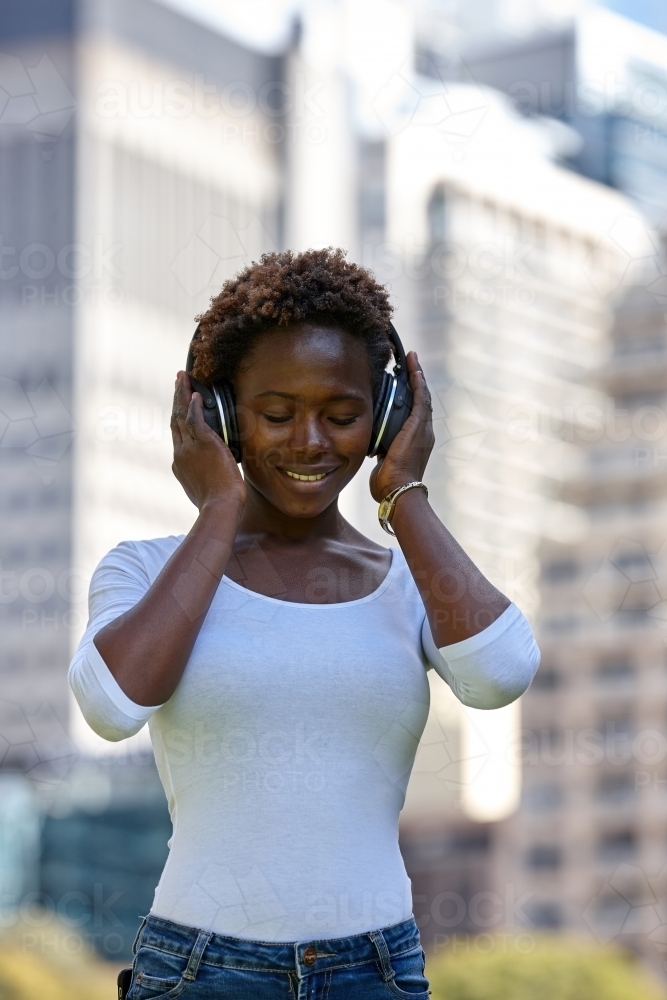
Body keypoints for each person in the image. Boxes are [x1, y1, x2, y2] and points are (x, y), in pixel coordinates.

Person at [70, 248, 540, 999]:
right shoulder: (146, 568)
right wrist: (217, 508)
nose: (311, 443)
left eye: (344, 415)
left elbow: (500, 676)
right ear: (218, 412)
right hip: (198, 971)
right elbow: (112, 706)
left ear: (385, 418)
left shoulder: (409, 581)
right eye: (277, 414)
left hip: (374, 971)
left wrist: (404, 493)